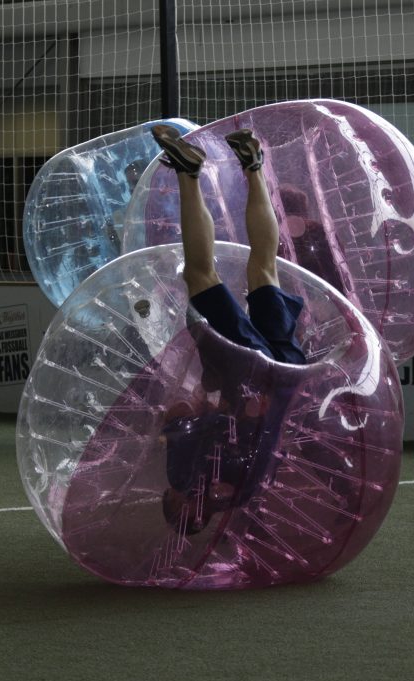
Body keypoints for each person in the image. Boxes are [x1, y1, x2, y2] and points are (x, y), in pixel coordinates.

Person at [149, 124, 308, 535]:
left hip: (287, 377)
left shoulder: (241, 493)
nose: (165, 494)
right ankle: (188, 173)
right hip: (250, 374)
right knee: (201, 275)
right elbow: (181, 413)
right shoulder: (187, 480)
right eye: (168, 502)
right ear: (181, 506)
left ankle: (253, 164)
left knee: (263, 269)